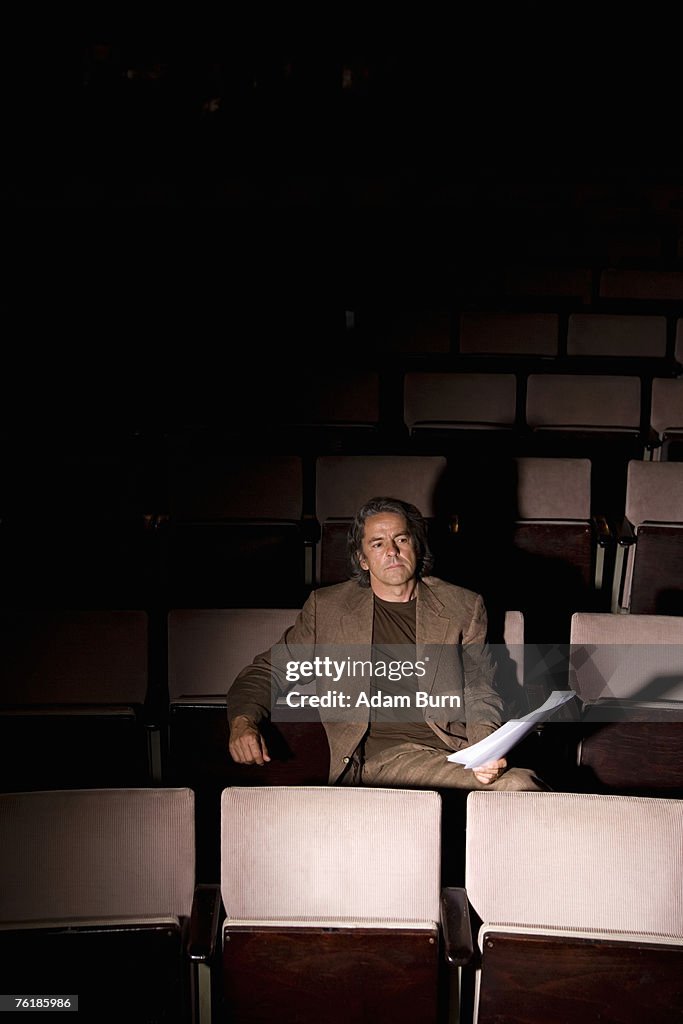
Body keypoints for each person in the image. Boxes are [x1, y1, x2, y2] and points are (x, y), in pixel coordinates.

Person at [228, 496, 546, 791]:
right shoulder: (328, 609)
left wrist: (485, 750)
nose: (391, 551)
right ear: (363, 559)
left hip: (454, 752)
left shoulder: (463, 606)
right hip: (382, 759)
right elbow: (267, 672)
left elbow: (480, 689)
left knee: (519, 784)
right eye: (378, 544)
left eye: (401, 539)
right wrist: (244, 721)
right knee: (519, 786)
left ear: (416, 547)